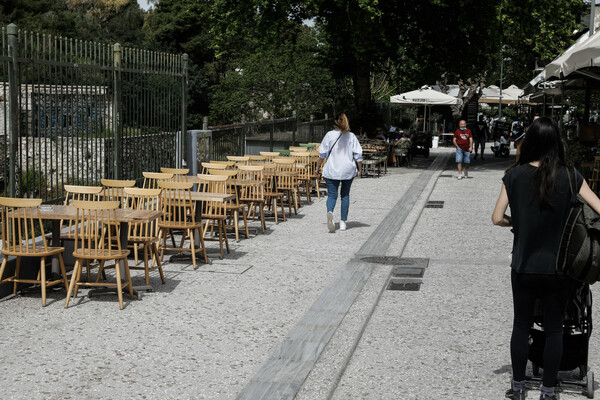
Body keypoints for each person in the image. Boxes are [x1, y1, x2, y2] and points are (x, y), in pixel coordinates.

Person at [492, 117, 600, 400]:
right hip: (559, 269)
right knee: (554, 329)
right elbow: (598, 207)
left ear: (529, 142)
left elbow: (495, 218)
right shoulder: (571, 175)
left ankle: (517, 388)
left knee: (521, 325)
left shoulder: (512, 175)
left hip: (524, 266)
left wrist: (515, 223)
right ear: (557, 143)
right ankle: (548, 391)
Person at [316, 113, 363, 233]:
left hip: (332, 169)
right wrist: (359, 169)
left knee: (332, 195)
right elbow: (358, 155)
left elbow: (322, 154)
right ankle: (343, 222)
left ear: (336, 121)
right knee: (345, 195)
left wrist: (317, 168)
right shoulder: (351, 136)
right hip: (347, 169)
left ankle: (330, 212)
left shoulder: (329, 135)